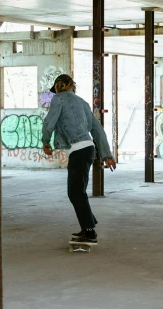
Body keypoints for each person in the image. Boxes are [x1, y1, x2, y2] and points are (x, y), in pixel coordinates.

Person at [42, 74, 116, 244]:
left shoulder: (58, 100)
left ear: (66, 86)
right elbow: (97, 130)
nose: (58, 91)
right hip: (88, 149)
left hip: (79, 150)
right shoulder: (83, 103)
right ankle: (88, 226)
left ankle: (89, 232)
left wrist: (45, 141)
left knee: (75, 192)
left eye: (59, 87)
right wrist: (107, 155)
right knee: (77, 192)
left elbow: (49, 122)